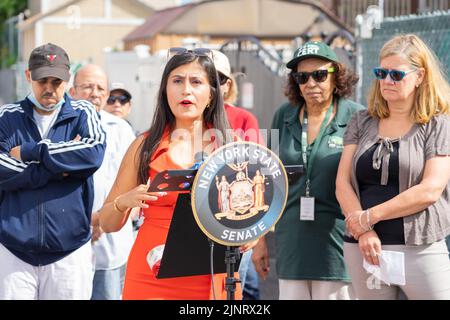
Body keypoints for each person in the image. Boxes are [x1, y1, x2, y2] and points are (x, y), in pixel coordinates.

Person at [98, 48, 248, 300]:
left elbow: (255, 214)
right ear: (165, 91)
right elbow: (107, 222)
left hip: (212, 273)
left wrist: (251, 235)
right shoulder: (144, 145)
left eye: (196, 82)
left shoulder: (232, 147)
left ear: (211, 95)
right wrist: (124, 202)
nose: (186, 90)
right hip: (151, 272)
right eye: (177, 81)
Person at [336, 34, 450, 299]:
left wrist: (370, 216)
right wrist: (364, 230)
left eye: (396, 75)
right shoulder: (361, 120)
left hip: (419, 247)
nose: (387, 81)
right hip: (364, 247)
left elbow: (430, 189)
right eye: (381, 72)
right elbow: (342, 182)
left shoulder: (437, 124)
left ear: (420, 76)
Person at [253, 41, 363, 300]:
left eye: (320, 75)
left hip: (337, 242)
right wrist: (259, 240)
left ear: (337, 77)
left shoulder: (356, 117)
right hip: (293, 241)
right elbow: (268, 179)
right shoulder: (284, 115)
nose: (311, 83)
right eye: (302, 77)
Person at [0, 43, 106, 299]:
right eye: (41, 80)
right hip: (14, 252)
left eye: (56, 81)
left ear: (67, 79)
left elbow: (92, 153)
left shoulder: (84, 112)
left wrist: (31, 153)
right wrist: (59, 169)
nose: (49, 88)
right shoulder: (6, 116)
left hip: (69, 251)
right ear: (28, 76)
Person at [70, 64, 136, 300]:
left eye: (100, 88)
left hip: (111, 240)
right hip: (68, 238)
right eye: (87, 86)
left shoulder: (120, 129)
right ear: (72, 92)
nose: (94, 93)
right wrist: (86, 220)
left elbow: (130, 181)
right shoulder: (60, 128)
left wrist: (101, 219)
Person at [212, 49, 262, 300]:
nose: (212, 86)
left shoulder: (243, 118)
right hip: (195, 221)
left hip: (236, 218)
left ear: (228, 84)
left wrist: (255, 228)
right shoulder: (183, 119)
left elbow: (259, 173)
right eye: (204, 78)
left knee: (237, 290)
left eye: (218, 79)